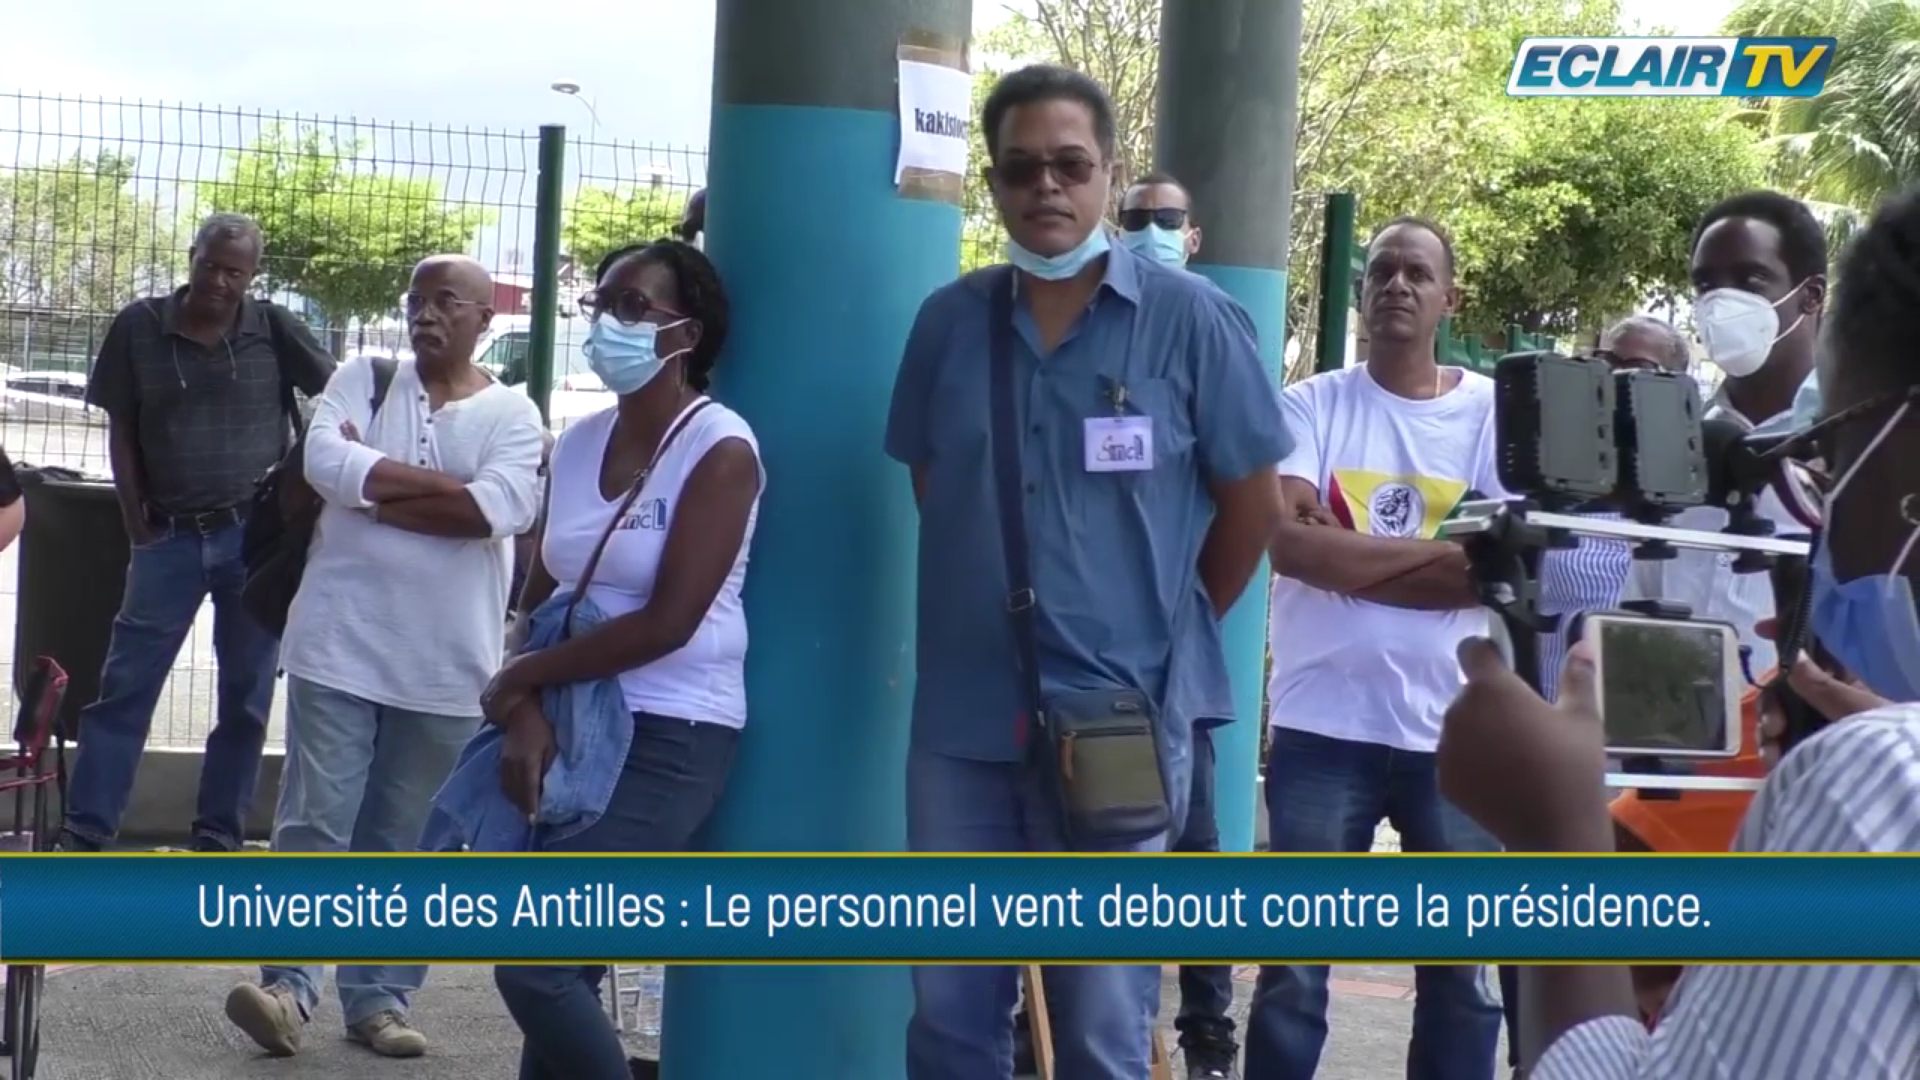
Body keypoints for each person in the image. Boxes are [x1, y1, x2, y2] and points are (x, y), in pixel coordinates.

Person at [1431, 181, 1920, 1080]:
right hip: (1665, 815)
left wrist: (1555, 842)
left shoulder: (1881, 784)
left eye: (1834, 454)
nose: (1817, 494)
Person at [884, 64, 1290, 1080]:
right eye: (1021, 169)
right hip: (966, 723)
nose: (1047, 189)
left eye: (1071, 165)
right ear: (995, 182)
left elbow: (1250, 505)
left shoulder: (1190, 321)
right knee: (949, 1007)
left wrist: (1156, 624)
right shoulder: (950, 322)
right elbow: (941, 485)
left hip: (1121, 720)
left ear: (1109, 175)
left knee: (1103, 1016)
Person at [220, 255, 546, 1059]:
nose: (426, 315)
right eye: (417, 300)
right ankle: (288, 990)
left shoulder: (514, 412)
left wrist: (374, 491)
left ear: (485, 321)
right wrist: (437, 493)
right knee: (312, 826)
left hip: (446, 667)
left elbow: (499, 509)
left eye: (447, 303)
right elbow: (323, 465)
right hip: (338, 646)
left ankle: (379, 998)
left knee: (406, 841)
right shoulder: (363, 378)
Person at [475, 238, 760, 1080]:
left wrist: (521, 681)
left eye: (635, 306)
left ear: (687, 333)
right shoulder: (576, 443)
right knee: (566, 970)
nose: (611, 322)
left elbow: (671, 621)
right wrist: (522, 708)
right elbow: (537, 600)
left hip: (673, 734)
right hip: (569, 724)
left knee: (537, 966)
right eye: (603, 303)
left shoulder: (721, 448)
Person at [1250, 216, 1505, 1080]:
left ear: (1449, 298)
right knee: (1292, 970)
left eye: (1417, 274)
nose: (1397, 284)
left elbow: (1499, 573)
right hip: (1324, 728)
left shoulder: (1496, 418)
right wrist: (1447, 556)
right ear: (1361, 295)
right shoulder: (1311, 405)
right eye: (1382, 271)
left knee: (1461, 979)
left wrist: (1348, 559)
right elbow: (1289, 546)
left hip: (1459, 736)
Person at [57, 213, 335, 853]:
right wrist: (132, 514)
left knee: (246, 696)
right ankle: (87, 829)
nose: (218, 280)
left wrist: (297, 486)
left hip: (252, 540)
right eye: (209, 264)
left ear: (252, 276)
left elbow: (339, 400)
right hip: (168, 538)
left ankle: (219, 833)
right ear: (192, 258)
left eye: (234, 271)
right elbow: (121, 425)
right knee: (125, 688)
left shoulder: (273, 328)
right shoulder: (139, 325)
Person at [1535, 315, 1694, 701]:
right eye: (1606, 362)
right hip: (1557, 722)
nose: (1613, 378)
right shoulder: (1558, 481)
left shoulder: (1688, 494)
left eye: (1634, 369)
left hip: (1654, 723)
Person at [1116, 172, 1201, 268]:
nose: (1151, 230)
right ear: (1117, 238)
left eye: (1169, 218)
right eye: (1136, 218)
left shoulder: (1206, 284)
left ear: (1194, 240)